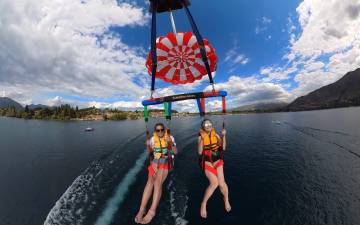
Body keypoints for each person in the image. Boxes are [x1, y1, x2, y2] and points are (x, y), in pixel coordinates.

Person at [135, 123, 177, 224]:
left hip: (167, 161)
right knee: (150, 182)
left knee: (157, 182)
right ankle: (142, 209)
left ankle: (152, 211)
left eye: (162, 130)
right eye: (158, 130)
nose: (160, 132)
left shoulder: (170, 137)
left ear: (164, 130)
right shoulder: (153, 139)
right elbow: (151, 152)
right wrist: (148, 145)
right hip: (155, 161)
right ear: (155, 131)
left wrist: (170, 143)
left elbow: (175, 152)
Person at [198, 119, 231, 218]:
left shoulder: (216, 135)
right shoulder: (200, 137)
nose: (208, 125)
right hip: (207, 160)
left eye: (209, 124)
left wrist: (223, 136)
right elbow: (200, 152)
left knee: (221, 182)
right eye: (205, 124)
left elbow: (223, 148)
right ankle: (203, 203)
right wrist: (203, 139)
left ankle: (226, 199)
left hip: (217, 159)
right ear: (203, 126)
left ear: (212, 125)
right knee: (214, 183)